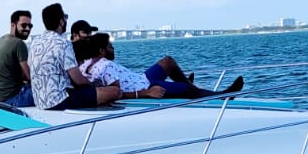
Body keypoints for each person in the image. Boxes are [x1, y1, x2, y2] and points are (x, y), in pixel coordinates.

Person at [75, 32, 244, 99]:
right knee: (187, 90)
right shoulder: (106, 66)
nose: (113, 49)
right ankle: (222, 96)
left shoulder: (85, 66)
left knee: (167, 61)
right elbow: (118, 94)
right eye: (110, 46)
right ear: (101, 51)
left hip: (142, 78)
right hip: (147, 87)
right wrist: (147, 93)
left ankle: (189, 85)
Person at [27, 2, 121, 110]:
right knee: (115, 91)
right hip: (61, 101)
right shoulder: (63, 43)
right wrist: (94, 86)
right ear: (61, 21)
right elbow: (78, 80)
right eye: (65, 17)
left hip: (40, 102)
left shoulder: (34, 43)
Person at [0, 9, 35, 107]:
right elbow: (30, 77)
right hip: (12, 100)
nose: (27, 29)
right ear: (13, 25)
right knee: (48, 90)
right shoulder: (19, 44)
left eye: (30, 26)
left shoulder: (1, 39)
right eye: (23, 25)